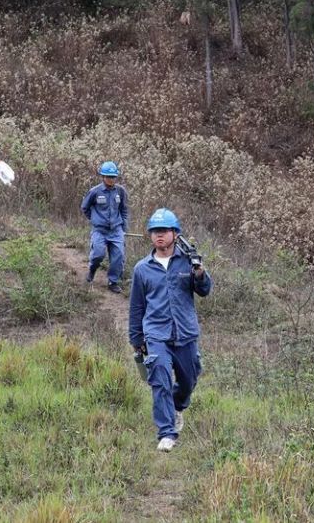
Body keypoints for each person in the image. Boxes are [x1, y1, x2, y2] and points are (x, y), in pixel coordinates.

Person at [129, 208, 212, 452]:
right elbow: (136, 307)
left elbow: (205, 290)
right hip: (156, 334)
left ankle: (177, 406)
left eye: (164, 231)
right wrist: (136, 339)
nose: (159, 236)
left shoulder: (188, 261)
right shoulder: (142, 269)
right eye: (155, 232)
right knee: (160, 379)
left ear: (175, 234)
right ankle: (166, 433)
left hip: (185, 332)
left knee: (190, 378)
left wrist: (200, 273)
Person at [80, 161, 129, 293]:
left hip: (116, 230)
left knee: (118, 256)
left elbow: (124, 210)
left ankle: (113, 281)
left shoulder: (121, 191)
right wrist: (94, 219)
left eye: (113, 177)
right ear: (103, 177)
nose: (111, 179)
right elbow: (85, 207)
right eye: (109, 177)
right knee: (98, 255)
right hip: (100, 231)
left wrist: (124, 228)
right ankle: (92, 270)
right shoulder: (95, 192)